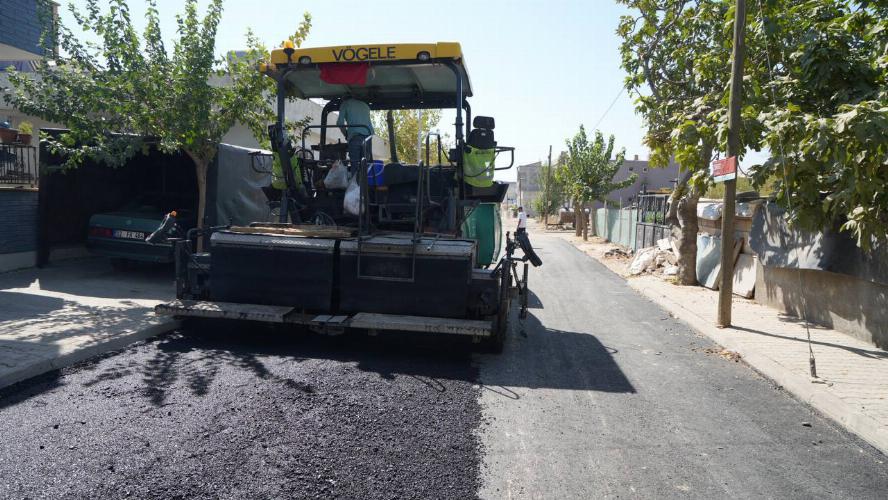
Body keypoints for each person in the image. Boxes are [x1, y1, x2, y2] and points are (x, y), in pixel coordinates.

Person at [337, 97, 374, 172]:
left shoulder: (345, 104)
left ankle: (355, 182)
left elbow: (340, 123)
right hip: (368, 136)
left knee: (355, 164)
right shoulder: (365, 105)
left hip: (355, 136)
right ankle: (365, 182)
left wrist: (346, 134)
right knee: (365, 165)